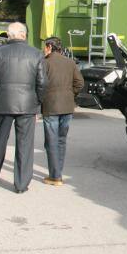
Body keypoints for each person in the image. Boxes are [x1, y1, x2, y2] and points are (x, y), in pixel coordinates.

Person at [0, 22, 46, 193]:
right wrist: (37, 103)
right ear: (24, 35)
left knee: (0, 140)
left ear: (9, 35)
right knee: (25, 144)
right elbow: (42, 83)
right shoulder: (37, 54)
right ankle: (21, 183)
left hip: (3, 102)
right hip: (27, 105)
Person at [41, 36, 84, 186]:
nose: (43, 49)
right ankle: (57, 172)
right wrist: (71, 95)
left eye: (45, 46)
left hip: (50, 106)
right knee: (61, 140)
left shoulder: (44, 63)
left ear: (50, 47)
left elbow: (40, 84)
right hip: (67, 106)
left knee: (51, 141)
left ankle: (55, 176)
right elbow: (79, 83)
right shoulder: (70, 62)